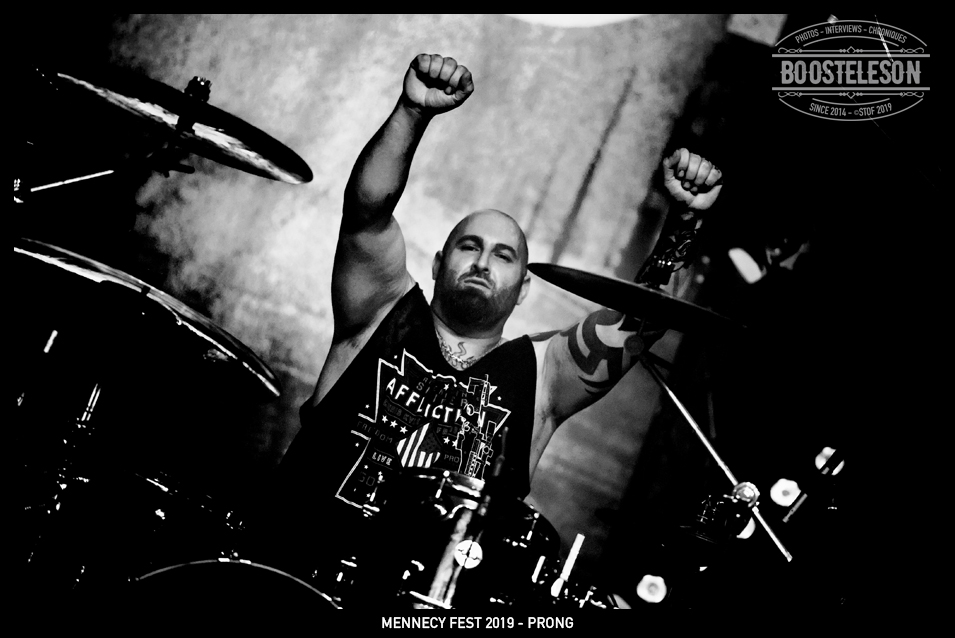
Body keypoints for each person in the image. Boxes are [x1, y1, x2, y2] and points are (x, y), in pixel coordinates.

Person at [262, 53, 723, 604]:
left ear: (524, 288)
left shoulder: (545, 375)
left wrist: (684, 223)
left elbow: (639, 320)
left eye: (504, 256)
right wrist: (411, 111)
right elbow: (365, 212)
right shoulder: (379, 311)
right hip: (287, 579)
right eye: (469, 246)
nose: (483, 262)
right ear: (439, 263)